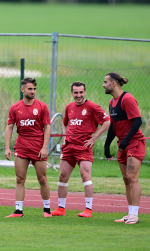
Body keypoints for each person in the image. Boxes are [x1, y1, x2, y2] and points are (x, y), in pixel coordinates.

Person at [51, 81, 110, 218]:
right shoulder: (69, 107)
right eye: (75, 92)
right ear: (72, 93)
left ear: (85, 92)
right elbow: (65, 123)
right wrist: (65, 138)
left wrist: (94, 138)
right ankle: (60, 208)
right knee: (62, 176)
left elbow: (107, 121)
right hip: (69, 146)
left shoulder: (92, 107)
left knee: (85, 175)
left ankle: (88, 210)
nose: (78, 95)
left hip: (84, 147)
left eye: (81, 92)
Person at [4, 77, 52, 218]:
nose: (33, 91)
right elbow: (9, 127)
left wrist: (44, 147)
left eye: (34, 89)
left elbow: (47, 127)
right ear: (22, 89)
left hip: (38, 147)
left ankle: (47, 210)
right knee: (20, 179)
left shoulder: (42, 107)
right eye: (30, 89)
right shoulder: (15, 108)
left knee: (42, 179)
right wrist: (7, 147)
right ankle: (18, 211)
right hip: (22, 146)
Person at [103, 72, 145, 225]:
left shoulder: (127, 99)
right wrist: (107, 145)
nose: (103, 85)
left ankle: (135, 214)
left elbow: (137, 121)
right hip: (123, 144)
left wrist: (126, 141)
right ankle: (129, 213)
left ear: (113, 83)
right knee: (126, 179)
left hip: (134, 142)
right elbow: (113, 126)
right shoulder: (111, 102)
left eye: (105, 82)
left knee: (132, 178)